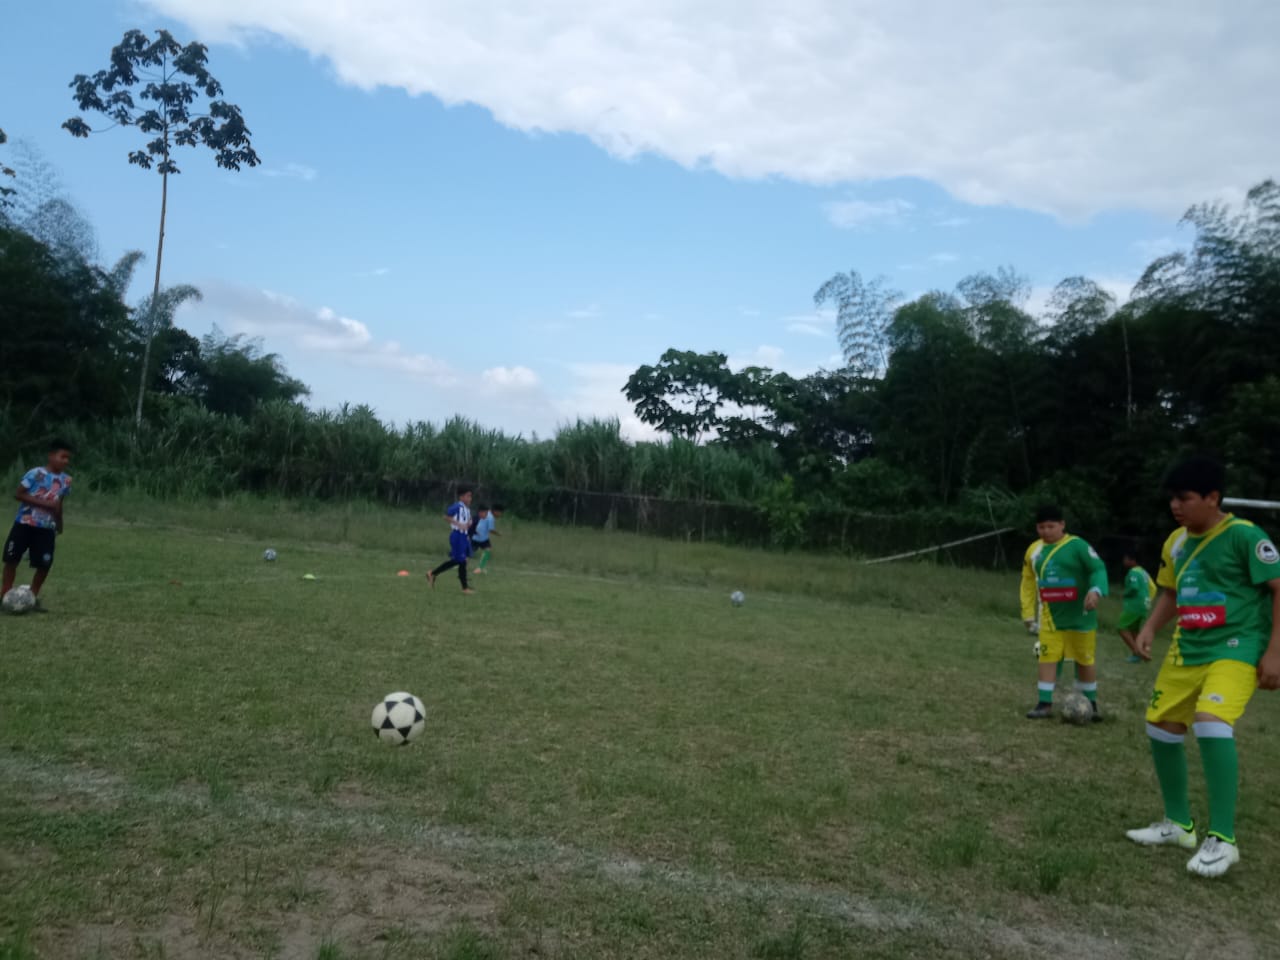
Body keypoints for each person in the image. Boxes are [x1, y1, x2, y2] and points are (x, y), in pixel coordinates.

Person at [1125, 456, 1280, 878]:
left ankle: (1223, 839)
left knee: (1211, 721)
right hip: (1186, 648)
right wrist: (1150, 628)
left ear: (1213, 498)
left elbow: (1278, 587)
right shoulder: (1176, 542)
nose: (1175, 505)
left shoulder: (1245, 536)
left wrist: (1274, 652)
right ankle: (1178, 825)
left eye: (1185, 498)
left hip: (1235, 646)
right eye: (1172, 498)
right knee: (1161, 725)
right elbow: (1171, 592)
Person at [1019, 504, 1108, 720]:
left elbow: (1098, 568)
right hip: (1051, 617)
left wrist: (1096, 591)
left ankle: (1091, 704)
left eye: (1051, 526)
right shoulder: (1034, 551)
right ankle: (1044, 703)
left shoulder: (1077, 546)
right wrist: (1027, 613)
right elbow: (1027, 582)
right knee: (1047, 657)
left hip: (1081, 616)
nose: (1046, 531)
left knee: (1084, 659)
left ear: (1062, 525)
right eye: (1041, 527)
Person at [2, 439, 73, 611]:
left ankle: (32, 598)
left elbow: (58, 503)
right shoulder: (36, 473)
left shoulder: (66, 480)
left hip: (46, 528)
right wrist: (46, 504)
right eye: (62, 456)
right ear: (51, 456)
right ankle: (4, 595)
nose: (66, 461)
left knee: (44, 565)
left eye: (68, 458)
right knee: (11, 560)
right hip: (24, 524)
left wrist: (59, 522)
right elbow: (19, 494)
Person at [427, 486, 474, 593]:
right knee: (459, 560)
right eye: (468, 496)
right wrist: (458, 524)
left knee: (462, 561)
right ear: (461, 497)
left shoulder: (467, 509)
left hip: (463, 537)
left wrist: (469, 524)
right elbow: (446, 516)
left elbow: (467, 521)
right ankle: (433, 574)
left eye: (471, 496)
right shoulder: (457, 506)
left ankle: (464, 587)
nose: (470, 498)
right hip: (457, 536)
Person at [1118, 545, 1157, 664]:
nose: (1124, 560)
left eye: (1126, 558)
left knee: (1121, 628)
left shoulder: (1133, 572)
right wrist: (1147, 599)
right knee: (1134, 630)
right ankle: (1139, 654)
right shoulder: (1143, 572)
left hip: (1134, 605)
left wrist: (1124, 594)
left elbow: (1134, 588)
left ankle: (1137, 652)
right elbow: (1153, 587)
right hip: (1143, 605)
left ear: (1132, 560)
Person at [471, 503, 503, 574]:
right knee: (487, 550)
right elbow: (491, 530)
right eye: (500, 513)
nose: (500, 515)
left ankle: (458, 563)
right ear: (496, 511)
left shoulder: (486, 512)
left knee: (470, 551)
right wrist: (499, 534)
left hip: (475, 535)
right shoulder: (491, 517)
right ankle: (479, 568)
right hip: (480, 537)